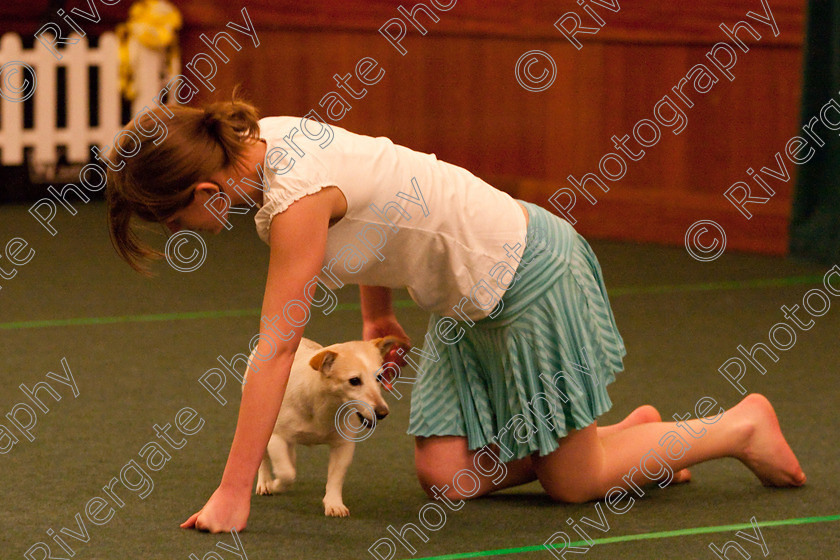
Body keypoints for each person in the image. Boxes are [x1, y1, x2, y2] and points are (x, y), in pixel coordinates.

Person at [105, 97, 806, 533]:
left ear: (203, 185)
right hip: (465, 301)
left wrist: (233, 493)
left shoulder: (292, 196)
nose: (182, 233)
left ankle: (738, 425)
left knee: (572, 487)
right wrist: (376, 316)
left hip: (528, 272)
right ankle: (627, 443)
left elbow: (275, 350)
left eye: (174, 220)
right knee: (447, 477)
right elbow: (381, 198)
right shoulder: (259, 142)